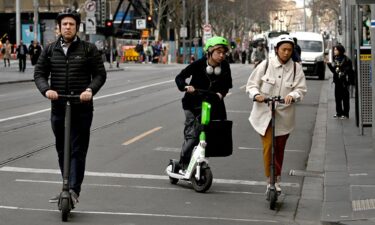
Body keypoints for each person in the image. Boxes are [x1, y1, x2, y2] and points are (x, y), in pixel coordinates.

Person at [34, 8, 106, 206]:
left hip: (81, 108)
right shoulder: (49, 50)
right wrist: (46, 90)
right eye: (64, 24)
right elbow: (39, 73)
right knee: (61, 149)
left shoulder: (88, 49)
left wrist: (90, 90)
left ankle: (73, 190)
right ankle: (66, 185)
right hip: (58, 107)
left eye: (71, 24)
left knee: (77, 150)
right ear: (59, 27)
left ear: (77, 28)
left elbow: (100, 75)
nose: (67, 27)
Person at [246, 34, 307, 194]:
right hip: (264, 115)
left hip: (284, 117)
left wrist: (292, 96)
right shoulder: (265, 65)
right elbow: (251, 85)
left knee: (279, 148)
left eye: (289, 50)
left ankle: (277, 178)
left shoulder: (296, 68)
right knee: (269, 147)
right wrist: (256, 95)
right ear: (277, 50)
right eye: (283, 49)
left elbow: (301, 90)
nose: (286, 53)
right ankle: (271, 180)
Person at [175, 36, 232, 171]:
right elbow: (180, 77)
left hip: (213, 104)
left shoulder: (225, 66)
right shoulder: (199, 64)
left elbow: (227, 85)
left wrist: (221, 93)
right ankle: (184, 163)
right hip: (193, 104)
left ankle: (200, 162)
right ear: (210, 52)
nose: (221, 55)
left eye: (224, 53)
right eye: (218, 52)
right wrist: (185, 87)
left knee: (211, 135)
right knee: (194, 135)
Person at [326, 44, 354, 119]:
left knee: (345, 98)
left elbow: (349, 71)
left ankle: (345, 114)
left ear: (340, 50)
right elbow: (334, 71)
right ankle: (339, 113)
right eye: (334, 50)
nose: (334, 51)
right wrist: (329, 65)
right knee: (337, 98)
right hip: (337, 82)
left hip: (344, 82)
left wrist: (343, 73)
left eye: (336, 50)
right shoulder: (336, 59)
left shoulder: (347, 60)